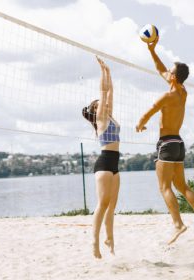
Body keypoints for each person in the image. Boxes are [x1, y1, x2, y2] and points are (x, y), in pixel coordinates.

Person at [136, 36, 194, 244]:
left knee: (164, 187)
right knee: (182, 185)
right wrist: (152, 51)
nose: (167, 71)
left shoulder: (167, 97)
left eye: (171, 70)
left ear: (174, 77)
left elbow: (147, 113)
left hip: (167, 144)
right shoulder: (183, 92)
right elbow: (161, 69)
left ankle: (178, 224)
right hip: (178, 144)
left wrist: (140, 124)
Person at [82, 56, 120, 258]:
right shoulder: (101, 120)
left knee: (112, 206)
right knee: (103, 204)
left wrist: (109, 72)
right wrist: (101, 73)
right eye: (99, 104)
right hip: (104, 164)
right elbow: (103, 92)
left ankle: (110, 240)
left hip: (115, 165)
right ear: (95, 111)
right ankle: (94, 243)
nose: (103, 103)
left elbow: (110, 92)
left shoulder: (110, 115)